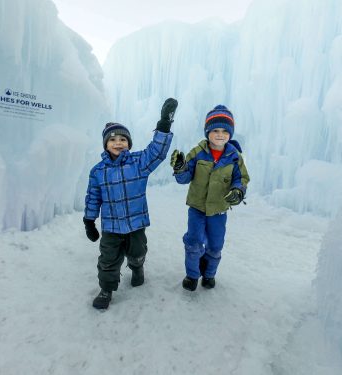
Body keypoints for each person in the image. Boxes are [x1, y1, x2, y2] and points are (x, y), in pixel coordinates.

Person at [83, 98, 178, 309]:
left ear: (129, 143)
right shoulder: (98, 171)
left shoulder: (138, 163)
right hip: (111, 226)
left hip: (136, 224)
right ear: (106, 144)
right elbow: (93, 197)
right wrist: (89, 220)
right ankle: (106, 289)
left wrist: (164, 124)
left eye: (123, 139)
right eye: (113, 140)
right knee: (108, 260)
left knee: (138, 252)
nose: (118, 143)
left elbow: (157, 152)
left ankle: (137, 267)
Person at [170, 104, 249, 291]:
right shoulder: (198, 152)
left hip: (218, 210)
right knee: (193, 242)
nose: (220, 134)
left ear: (230, 133)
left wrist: (238, 191)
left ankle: (209, 274)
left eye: (224, 131)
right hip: (197, 208)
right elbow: (184, 178)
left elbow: (242, 179)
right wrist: (180, 168)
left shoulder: (234, 157)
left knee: (215, 244)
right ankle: (192, 275)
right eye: (215, 130)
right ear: (207, 132)